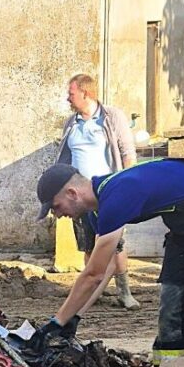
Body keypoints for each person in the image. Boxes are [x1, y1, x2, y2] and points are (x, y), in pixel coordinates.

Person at [31, 159, 184, 365]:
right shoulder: (97, 213)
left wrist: (56, 322)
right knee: (173, 298)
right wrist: (74, 318)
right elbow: (106, 269)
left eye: (56, 207)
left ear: (72, 193)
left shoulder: (117, 195)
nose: (58, 215)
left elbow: (92, 274)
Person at [52, 73, 140, 310]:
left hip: (106, 191)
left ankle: (124, 292)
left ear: (85, 93)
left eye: (71, 94)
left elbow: (127, 152)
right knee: (88, 242)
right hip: (78, 196)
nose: (67, 99)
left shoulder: (111, 118)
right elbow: (64, 157)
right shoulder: (71, 123)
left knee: (114, 242)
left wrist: (125, 183)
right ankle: (92, 290)